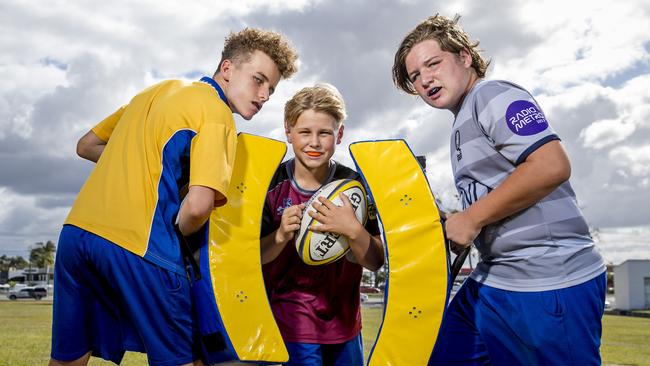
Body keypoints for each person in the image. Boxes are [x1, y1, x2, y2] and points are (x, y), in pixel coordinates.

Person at [50, 28, 298, 366]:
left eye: (271, 88)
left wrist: (143, 168)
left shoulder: (156, 91)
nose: (265, 94)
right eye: (258, 80)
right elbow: (197, 207)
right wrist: (180, 229)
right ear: (227, 69)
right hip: (142, 243)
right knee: (185, 359)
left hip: (76, 234)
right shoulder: (216, 113)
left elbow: (87, 146)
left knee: (68, 358)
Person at [392, 14, 606, 365]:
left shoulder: (491, 95)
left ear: (464, 56)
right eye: (415, 76)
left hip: (549, 278)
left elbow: (551, 164)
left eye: (433, 63)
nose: (425, 79)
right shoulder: (461, 121)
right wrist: (452, 220)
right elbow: (492, 200)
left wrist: (471, 218)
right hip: (496, 279)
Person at [260, 84, 384, 366]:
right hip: (289, 321)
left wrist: (353, 229)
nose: (314, 143)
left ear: (339, 134)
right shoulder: (269, 184)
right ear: (288, 132)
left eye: (324, 133)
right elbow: (252, 257)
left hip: (345, 323)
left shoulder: (356, 186)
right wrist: (280, 236)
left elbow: (376, 261)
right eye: (305, 132)